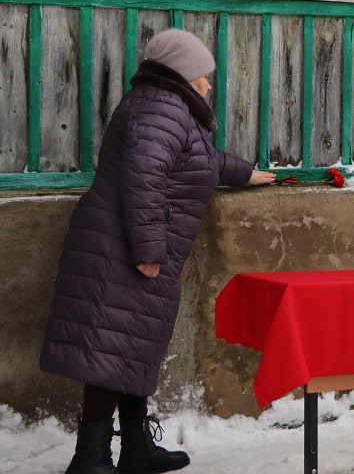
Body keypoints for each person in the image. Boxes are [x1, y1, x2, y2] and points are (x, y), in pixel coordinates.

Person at [40, 29, 276, 474]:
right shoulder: (160, 107)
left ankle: (134, 449)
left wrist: (245, 173)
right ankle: (89, 459)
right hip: (124, 249)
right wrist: (149, 250)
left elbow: (199, 159)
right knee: (109, 353)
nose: (209, 84)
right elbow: (144, 181)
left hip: (132, 247)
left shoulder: (169, 108)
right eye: (204, 75)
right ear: (184, 73)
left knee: (133, 348)